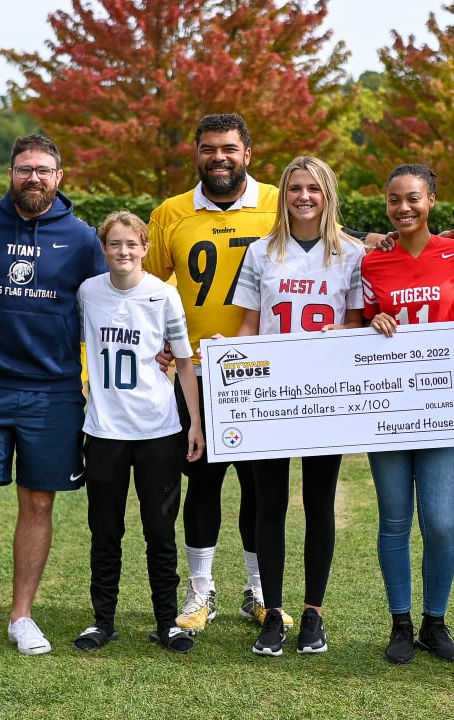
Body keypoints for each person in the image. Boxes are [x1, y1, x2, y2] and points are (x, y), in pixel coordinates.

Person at [0, 134, 104, 666]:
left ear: (60, 177)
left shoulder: (82, 239)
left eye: (43, 170)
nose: (33, 178)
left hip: (53, 391)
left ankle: (21, 615)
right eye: (23, 169)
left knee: (38, 502)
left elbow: (108, 310)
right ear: (9, 173)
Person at [143, 113, 280, 634]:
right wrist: (157, 341)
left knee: (260, 487)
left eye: (228, 148)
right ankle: (201, 590)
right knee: (202, 482)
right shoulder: (171, 213)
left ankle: (259, 590)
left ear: (248, 153)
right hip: (195, 371)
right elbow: (146, 286)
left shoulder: (278, 202)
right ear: (195, 153)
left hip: (263, 371)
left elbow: (332, 247)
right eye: (207, 149)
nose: (218, 158)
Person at [229, 156, 365, 656]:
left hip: (325, 394)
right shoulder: (262, 252)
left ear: (328, 194)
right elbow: (248, 325)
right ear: (283, 195)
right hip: (272, 394)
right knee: (270, 504)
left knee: (319, 503)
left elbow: (354, 323)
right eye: (294, 188)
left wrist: (343, 334)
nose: (304, 197)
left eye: (314, 188)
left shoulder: (350, 253)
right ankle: (272, 612)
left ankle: (313, 614)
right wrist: (228, 355)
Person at [73, 211, 203, 655]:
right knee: (105, 530)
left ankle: (167, 622)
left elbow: (183, 361)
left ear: (145, 248)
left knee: (160, 530)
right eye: (114, 244)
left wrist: (195, 424)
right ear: (103, 248)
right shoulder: (88, 291)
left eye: (132, 244)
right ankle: (102, 620)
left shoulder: (164, 294)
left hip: (158, 430)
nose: (123, 252)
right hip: (105, 430)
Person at [361, 164, 454, 664]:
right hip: (387, 404)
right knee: (393, 521)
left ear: (431, 200)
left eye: (412, 199)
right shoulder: (371, 263)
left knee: (442, 524)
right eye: (393, 200)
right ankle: (401, 623)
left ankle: (436, 621)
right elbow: (356, 328)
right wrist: (373, 322)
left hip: (439, 407)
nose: (402, 208)